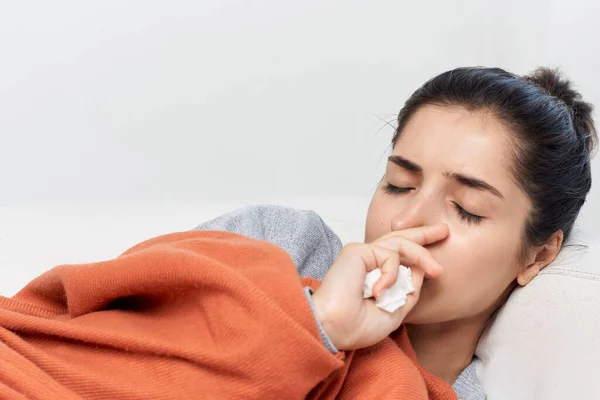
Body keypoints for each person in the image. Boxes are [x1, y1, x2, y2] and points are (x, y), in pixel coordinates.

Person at [197, 66, 597, 398]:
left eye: (466, 209)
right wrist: (320, 326)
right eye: (399, 184)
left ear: (538, 255)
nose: (406, 222)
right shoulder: (276, 243)